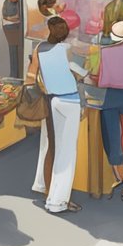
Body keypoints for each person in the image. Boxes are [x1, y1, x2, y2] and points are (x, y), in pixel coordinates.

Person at [28, 15, 86, 213]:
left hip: (51, 100)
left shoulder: (39, 48)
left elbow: (33, 74)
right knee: (66, 153)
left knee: (51, 147)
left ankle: (46, 189)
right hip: (70, 101)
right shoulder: (68, 50)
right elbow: (81, 75)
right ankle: (58, 201)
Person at [91, 21, 123, 204]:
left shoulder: (104, 51)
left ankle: (120, 178)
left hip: (108, 95)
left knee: (111, 137)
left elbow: (98, 76)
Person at [0, 0, 24, 78]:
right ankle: (14, 76)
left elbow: (18, 17)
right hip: (10, 31)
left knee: (18, 53)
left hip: (17, 30)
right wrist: (12, 18)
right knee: (13, 53)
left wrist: (10, 18)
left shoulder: (19, 2)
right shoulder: (6, 2)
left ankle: (17, 76)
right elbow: (7, 16)